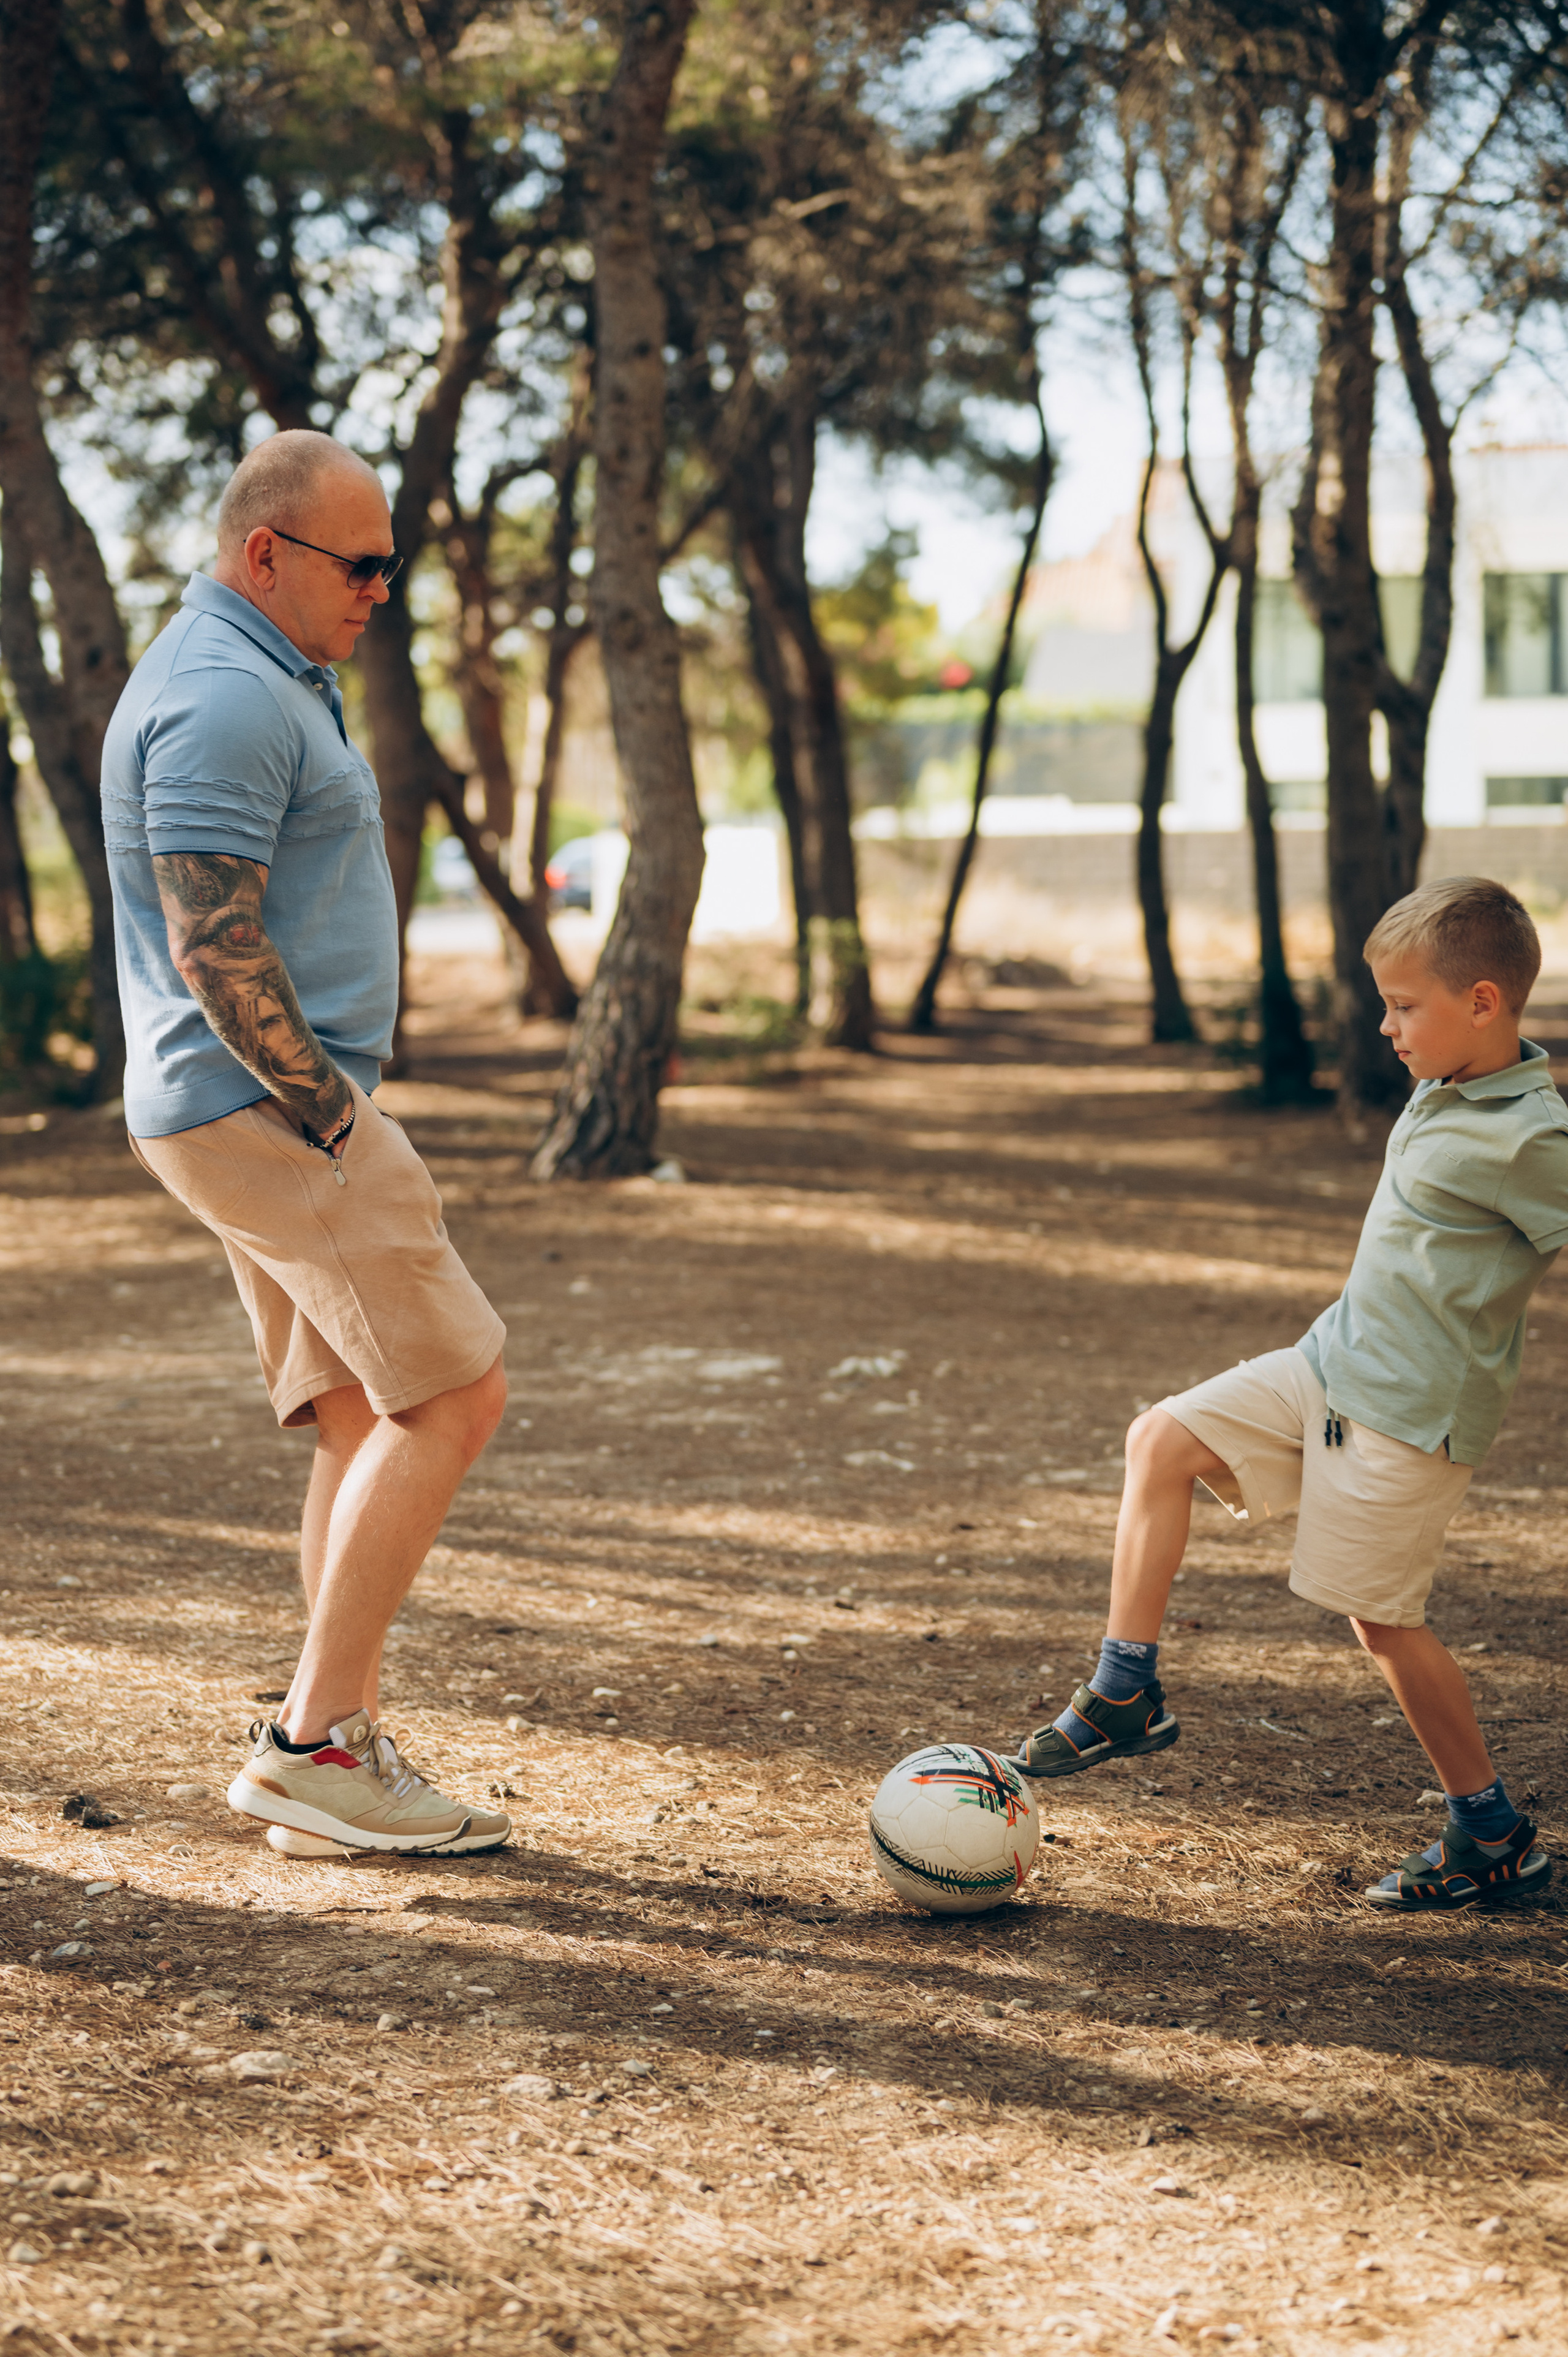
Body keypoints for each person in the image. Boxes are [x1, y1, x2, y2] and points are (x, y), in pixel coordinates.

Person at [102, 429, 511, 1858]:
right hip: (272, 1108)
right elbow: (212, 944)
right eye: (363, 563)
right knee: (459, 1395)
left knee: (359, 1413)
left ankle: (328, 1737)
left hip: (240, 1110)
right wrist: (334, 1113)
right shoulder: (223, 696)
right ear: (264, 551)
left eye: (392, 563)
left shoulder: (264, 672)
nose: (383, 589)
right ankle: (313, 1744)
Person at [1009, 877, 1567, 1910]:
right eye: (1386, 1002)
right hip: (1329, 1362)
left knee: (1381, 1621)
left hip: (1409, 1419)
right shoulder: (1451, 1079)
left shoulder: (1533, 1137)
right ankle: (1124, 1689)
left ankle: (1490, 1835)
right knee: (1159, 1440)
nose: (1388, 1026)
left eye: (1407, 1005)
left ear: (1483, 1003)